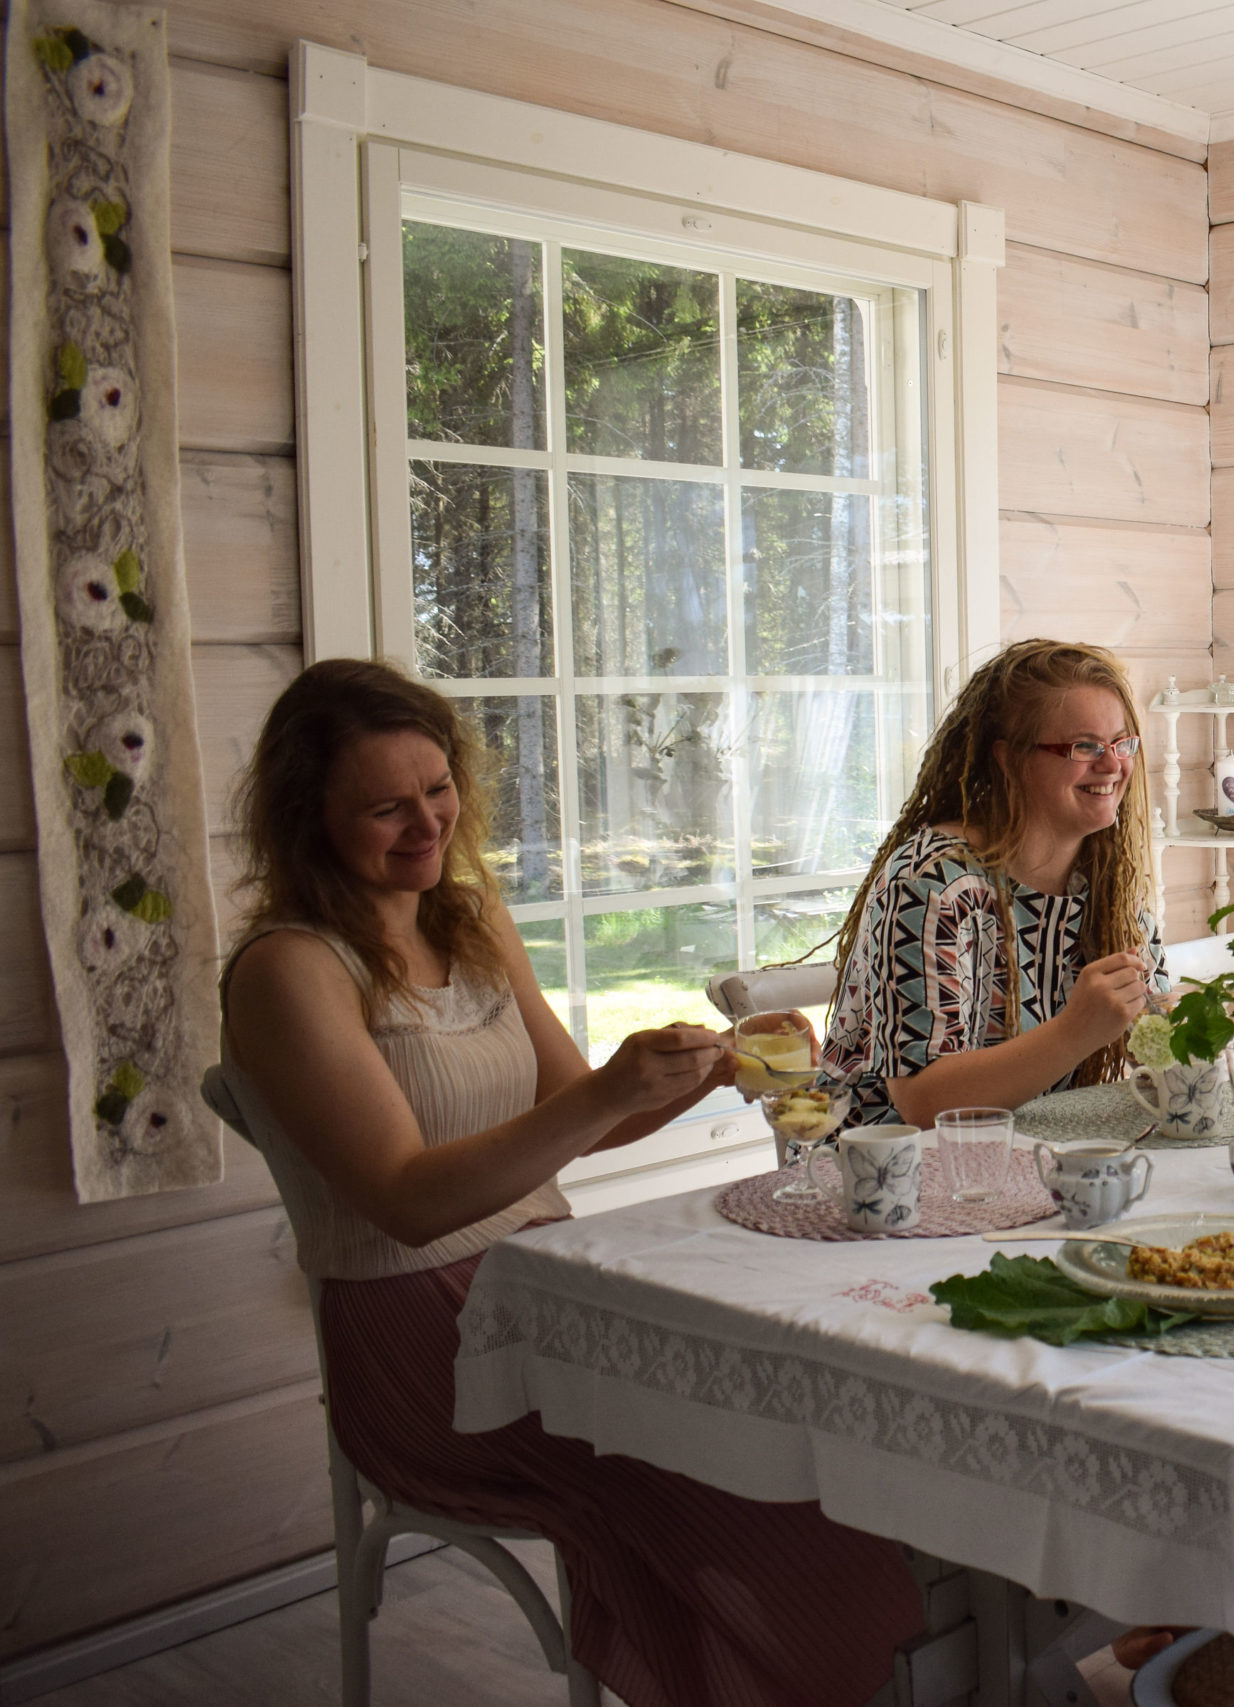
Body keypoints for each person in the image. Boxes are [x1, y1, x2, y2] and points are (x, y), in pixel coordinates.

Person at [221, 660, 922, 1707]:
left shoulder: (465, 918)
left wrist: (720, 1063)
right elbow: (408, 1202)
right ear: (306, 818)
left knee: (811, 1430)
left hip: (553, 1291)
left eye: (438, 789)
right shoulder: (292, 970)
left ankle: (907, 1670)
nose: (425, 824)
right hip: (426, 1343)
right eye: (384, 807)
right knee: (744, 1481)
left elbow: (583, 1123)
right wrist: (604, 1096)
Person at [823, 639, 1164, 1126]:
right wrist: (1077, 1031)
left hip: (1036, 1157)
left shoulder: (1109, 887)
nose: (1112, 765)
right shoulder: (931, 883)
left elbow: (1150, 1041)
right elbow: (924, 1103)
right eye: (1084, 747)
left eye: (1121, 742)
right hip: (883, 1176)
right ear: (1009, 759)